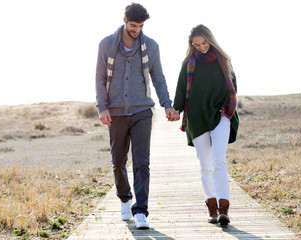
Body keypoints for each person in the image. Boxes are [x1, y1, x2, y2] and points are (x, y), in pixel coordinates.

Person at [95, 3, 179, 229]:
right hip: (116, 112)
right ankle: (125, 198)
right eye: (133, 25)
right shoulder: (106, 45)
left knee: (142, 162)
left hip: (142, 110)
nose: (137, 30)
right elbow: (100, 78)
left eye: (140, 26)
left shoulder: (151, 46)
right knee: (118, 161)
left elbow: (158, 78)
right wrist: (102, 106)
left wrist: (167, 105)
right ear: (124, 20)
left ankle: (141, 210)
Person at [173, 24, 239, 226]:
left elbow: (233, 89)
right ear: (192, 45)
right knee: (205, 165)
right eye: (196, 44)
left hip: (221, 116)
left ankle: (223, 210)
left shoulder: (223, 61)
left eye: (204, 42)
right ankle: (212, 208)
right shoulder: (189, 64)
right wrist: (175, 109)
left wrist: (227, 109)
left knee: (219, 160)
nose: (201, 47)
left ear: (210, 40)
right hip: (197, 117)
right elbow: (181, 89)